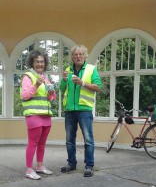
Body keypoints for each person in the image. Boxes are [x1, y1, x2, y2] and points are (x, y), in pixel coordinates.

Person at [60, 45, 102, 177]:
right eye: (75, 55)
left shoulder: (91, 69)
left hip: (84, 110)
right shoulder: (68, 70)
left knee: (88, 139)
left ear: (84, 56)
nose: (78, 57)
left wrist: (82, 83)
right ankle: (71, 164)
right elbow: (62, 89)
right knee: (69, 140)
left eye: (80, 54)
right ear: (72, 57)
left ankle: (89, 166)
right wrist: (64, 79)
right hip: (69, 111)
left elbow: (98, 87)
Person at [21, 50, 56, 180]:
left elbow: (51, 98)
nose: (40, 64)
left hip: (46, 115)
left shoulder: (46, 77)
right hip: (33, 115)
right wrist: (36, 84)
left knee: (42, 143)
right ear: (32, 63)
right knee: (33, 143)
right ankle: (29, 170)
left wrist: (51, 94)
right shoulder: (28, 76)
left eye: (42, 61)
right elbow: (24, 95)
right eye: (37, 61)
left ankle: (40, 167)